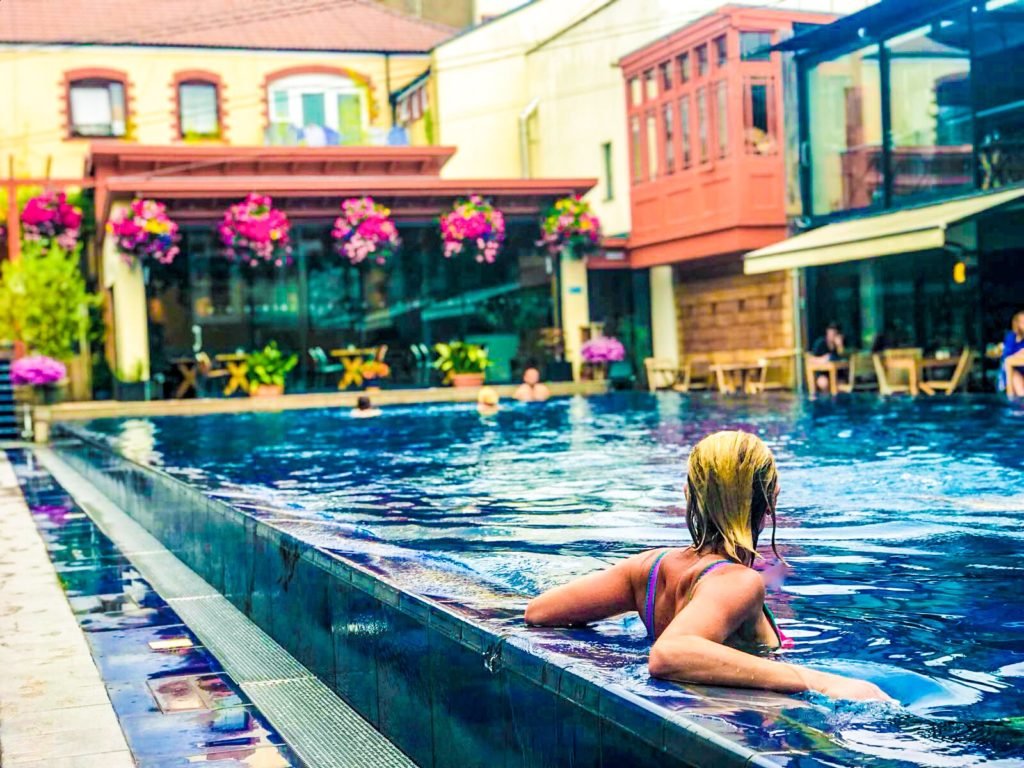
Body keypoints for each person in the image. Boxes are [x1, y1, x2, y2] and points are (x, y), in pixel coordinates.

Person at [524, 431, 890, 702]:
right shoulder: (739, 582)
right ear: (771, 497)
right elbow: (670, 653)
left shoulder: (649, 568)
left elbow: (540, 612)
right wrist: (823, 682)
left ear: (689, 495)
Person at [994, 310, 1024, 398]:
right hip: (1012, 371)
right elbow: (1007, 357)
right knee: (1016, 380)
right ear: (1017, 324)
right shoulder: (1012, 337)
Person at [809, 322, 846, 393]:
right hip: (822, 373)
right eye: (831, 333)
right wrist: (822, 359)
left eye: (835, 334)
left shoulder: (837, 345)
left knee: (841, 385)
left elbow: (842, 357)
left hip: (837, 373)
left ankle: (837, 401)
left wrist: (840, 346)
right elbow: (811, 359)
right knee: (824, 383)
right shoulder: (820, 343)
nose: (832, 336)